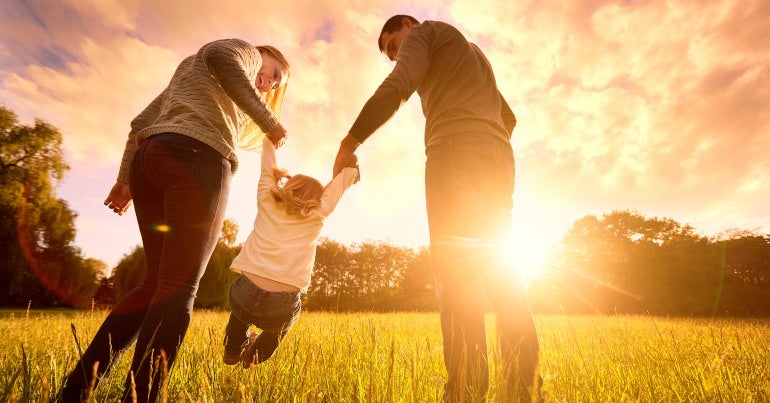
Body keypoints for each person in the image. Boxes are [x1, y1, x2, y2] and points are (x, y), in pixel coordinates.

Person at [58, 39, 291, 403]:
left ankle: (74, 391)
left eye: (277, 84)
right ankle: (140, 397)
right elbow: (220, 55)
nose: (271, 83)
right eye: (274, 72)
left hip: (149, 161)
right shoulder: (243, 51)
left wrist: (124, 180)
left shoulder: (190, 71)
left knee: (156, 285)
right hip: (198, 161)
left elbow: (140, 123)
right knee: (180, 288)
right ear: (264, 54)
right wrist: (269, 121)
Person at [332, 15, 540, 401]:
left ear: (408, 26)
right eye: (391, 53)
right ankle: (522, 389)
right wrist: (484, 140)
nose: (396, 56)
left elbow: (399, 84)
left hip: (455, 154)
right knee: (501, 271)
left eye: (394, 46)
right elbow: (508, 117)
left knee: (457, 274)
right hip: (498, 158)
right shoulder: (473, 53)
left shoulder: (424, 33)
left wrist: (351, 141)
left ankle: (465, 391)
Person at [222, 136, 359, 368]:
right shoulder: (318, 214)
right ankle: (254, 357)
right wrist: (351, 171)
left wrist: (269, 139)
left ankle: (233, 349)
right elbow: (338, 187)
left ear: (288, 186)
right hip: (281, 304)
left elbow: (267, 167)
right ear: (317, 198)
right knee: (278, 329)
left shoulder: (267, 199)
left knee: (240, 314)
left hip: (244, 292)